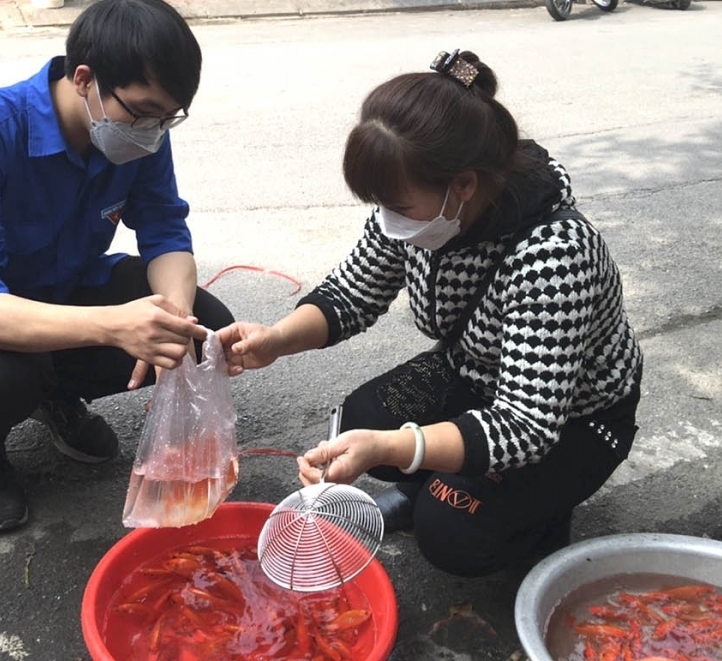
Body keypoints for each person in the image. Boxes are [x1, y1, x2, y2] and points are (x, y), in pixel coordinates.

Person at [218, 50, 643, 578]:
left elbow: (527, 424)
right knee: (359, 422)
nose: (387, 220)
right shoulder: (423, 209)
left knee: (449, 532)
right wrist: (275, 340)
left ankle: (536, 518)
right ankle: (436, 485)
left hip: (572, 419)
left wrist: (391, 447)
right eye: (380, 204)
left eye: (398, 206)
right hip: (476, 373)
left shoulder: (554, 253)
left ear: (462, 185)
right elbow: (354, 291)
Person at [0, 0, 231, 533]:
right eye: (142, 113)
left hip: (63, 286)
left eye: (168, 118)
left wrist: (172, 322)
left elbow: (165, 234)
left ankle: (55, 395)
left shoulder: (139, 137)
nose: (152, 131)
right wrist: (117, 326)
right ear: (85, 79)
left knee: (196, 328)